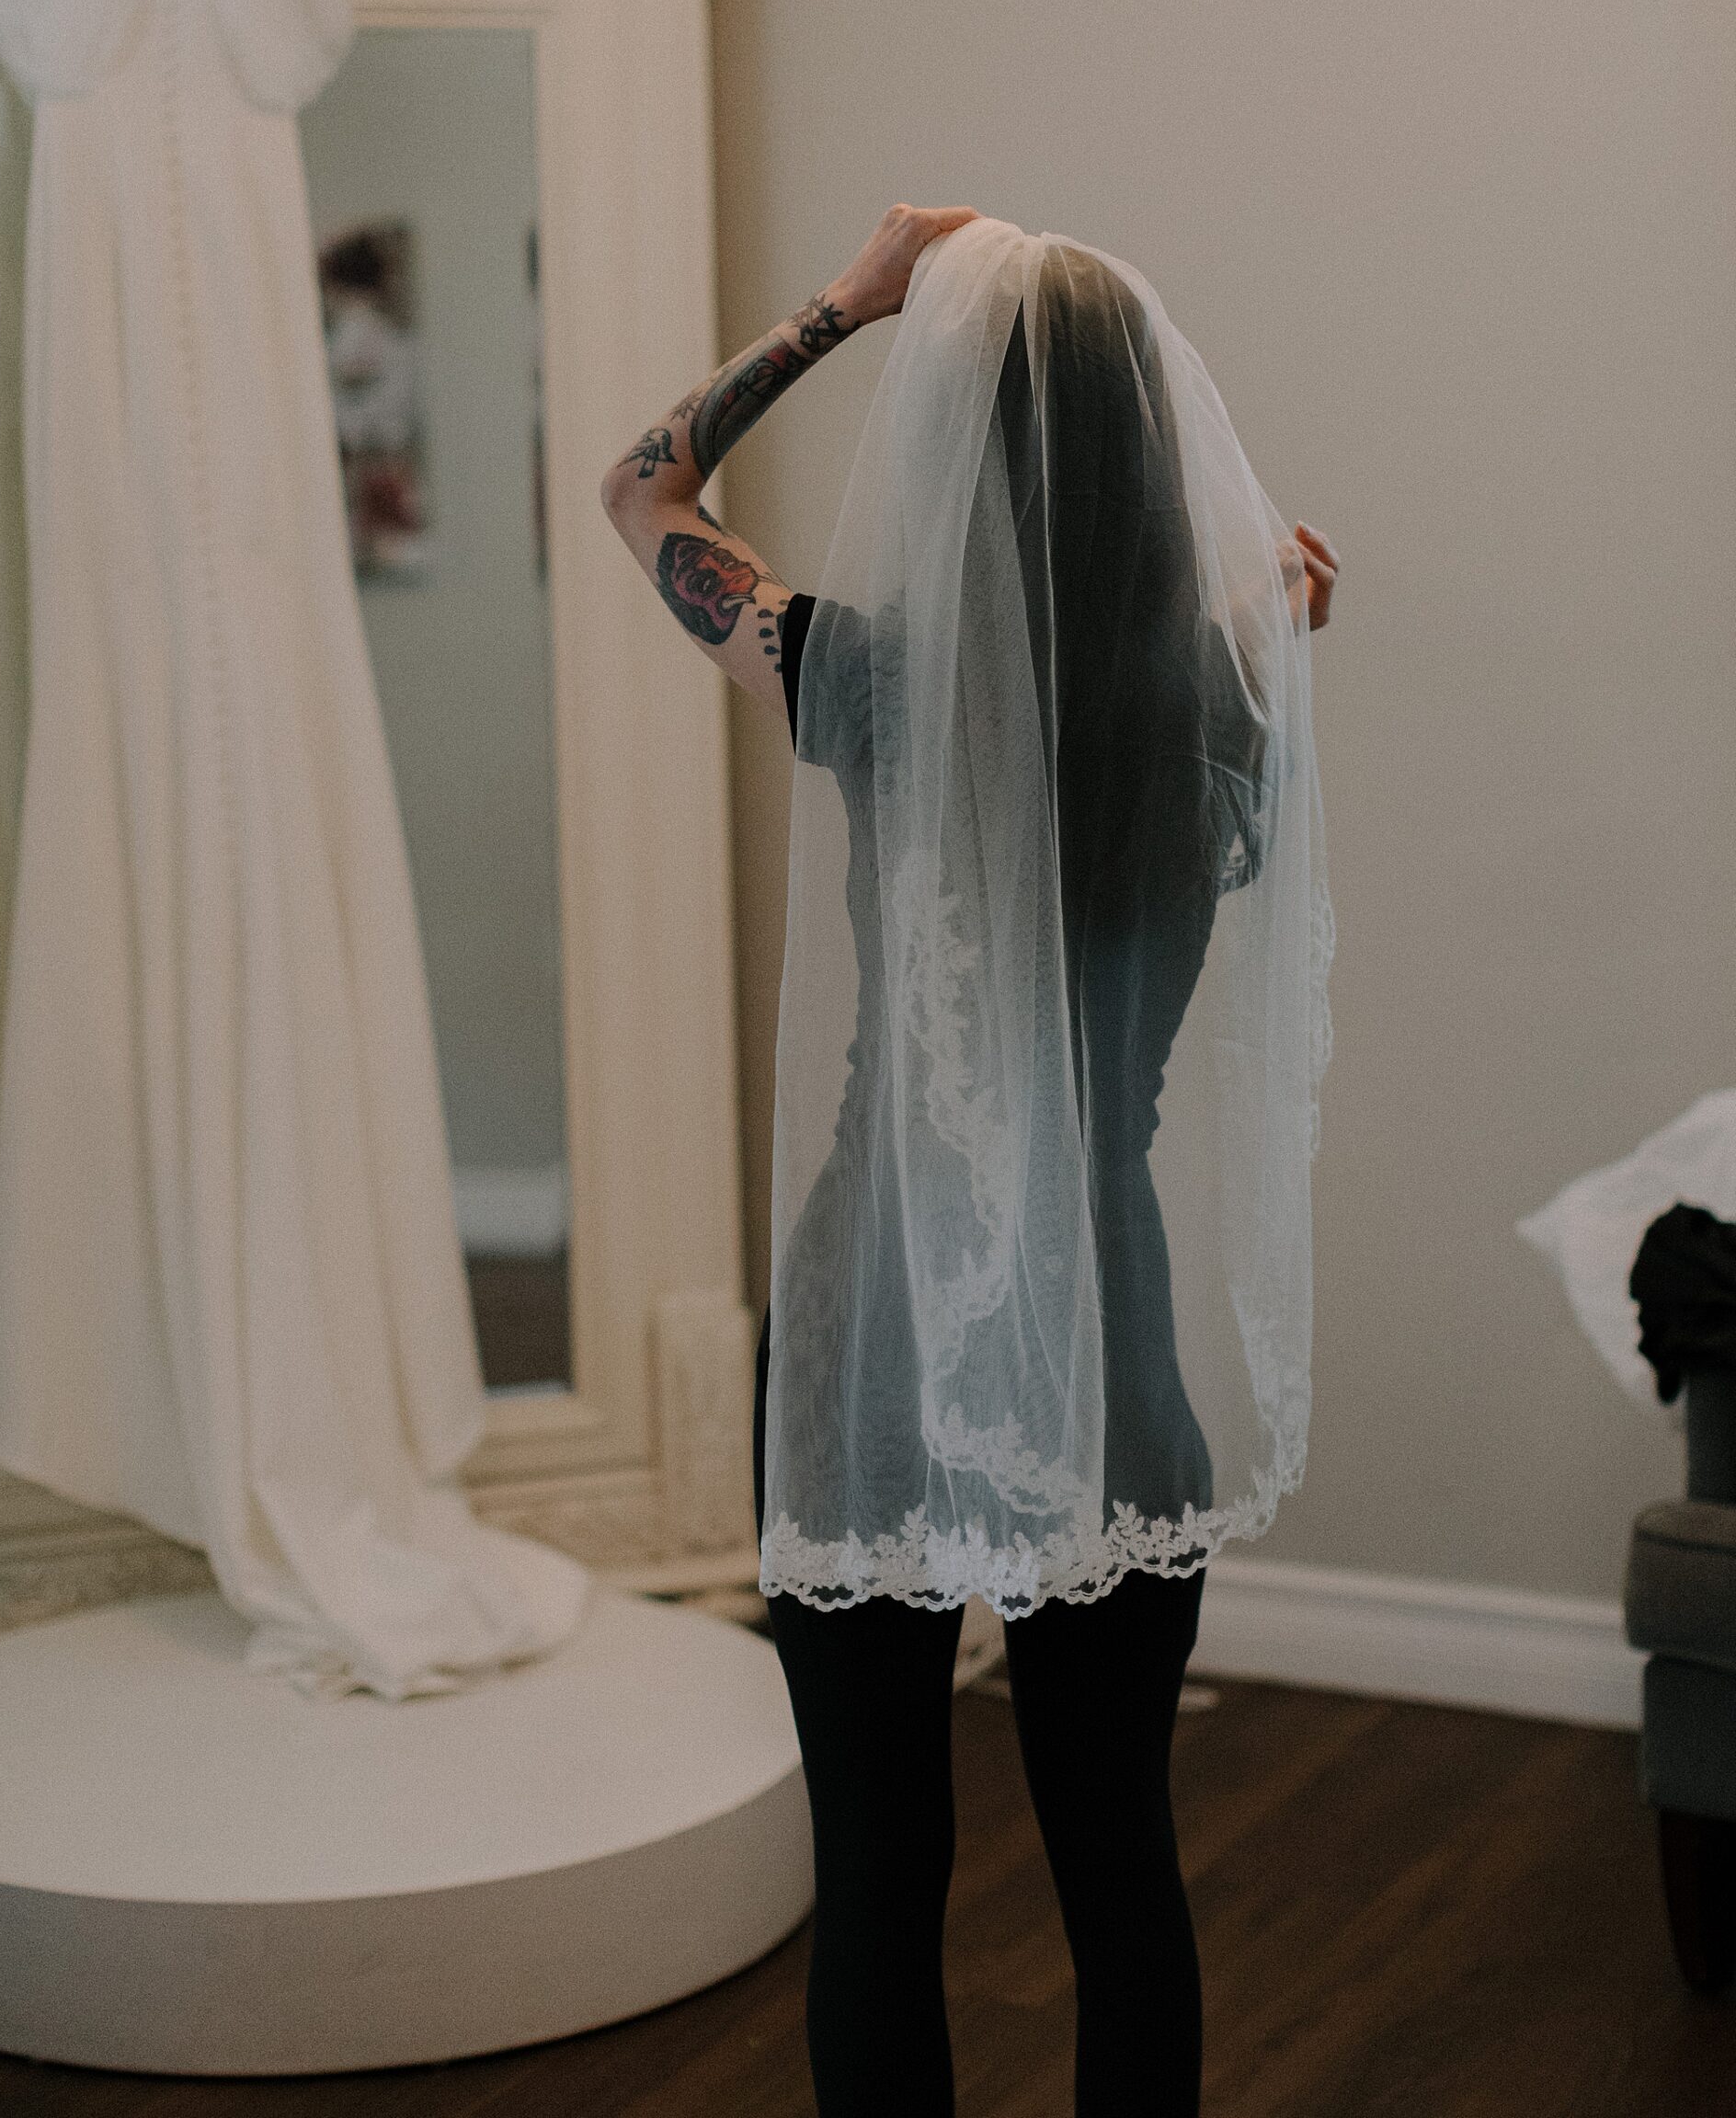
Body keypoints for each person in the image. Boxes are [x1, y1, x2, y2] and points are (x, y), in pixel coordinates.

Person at [602, 205, 1337, 2117]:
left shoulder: (854, 673)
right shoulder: (1223, 715)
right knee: (1123, 1871)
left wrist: (845, 300)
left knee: (880, 1882)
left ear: (951, 443)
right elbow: (1270, 624)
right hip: (1107, 1347)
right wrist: (1272, 602)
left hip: (875, 1343)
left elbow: (636, 484)